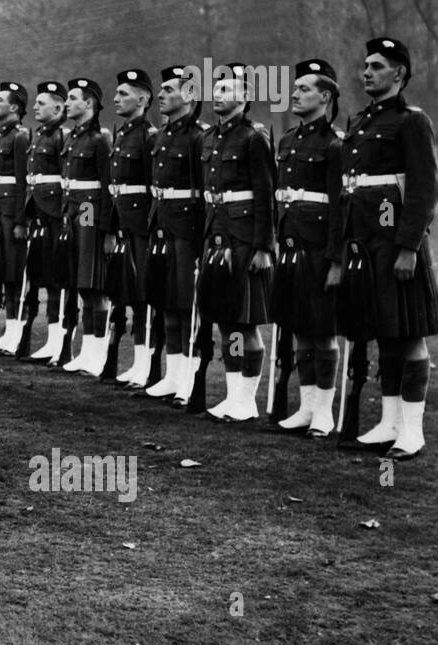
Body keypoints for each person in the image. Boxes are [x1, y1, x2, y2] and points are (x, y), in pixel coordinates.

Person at [339, 37, 438, 458]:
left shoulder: (411, 121)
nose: (367, 72)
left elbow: (423, 190)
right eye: (365, 65)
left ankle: (411, 432)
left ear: (398, 73)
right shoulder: (360, 122)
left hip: (397, 243)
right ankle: (389, 422)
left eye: (377, 66)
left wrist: (409, 247)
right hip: (365, 244)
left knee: (410, 335)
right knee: (385, 332)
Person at [198, 65, 275, 422]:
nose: (219, 94)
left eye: (228, 89)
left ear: (244, 98)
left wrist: (263, 247)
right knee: (226, 319)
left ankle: (247, 399)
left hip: (245, 239)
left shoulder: (253, 138)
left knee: (246, 323)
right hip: (217, 235)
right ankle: (233, 396)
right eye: (217, 88)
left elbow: (265, 197)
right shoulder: (209, 138)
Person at [272, 59, 343, 437]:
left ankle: (324, 411)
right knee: (300, 328)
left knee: (323, 331)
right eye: (294, 89)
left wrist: (336, 260)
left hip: (319, 250)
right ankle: (306, 406)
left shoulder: (335, 145)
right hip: (291, 246)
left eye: (304, 89)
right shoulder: (287, 141)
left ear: (326, 96)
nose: (295, 94)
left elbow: (340, 209)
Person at [144, 66, 208, 405]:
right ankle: (173, 373)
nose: (161, 95)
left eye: (169, 90)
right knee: (167, 300)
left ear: (189, 95)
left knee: (188, 304)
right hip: (164, 224)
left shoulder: (199, 137)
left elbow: (203, 191)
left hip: (189, 228)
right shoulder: (161, 136)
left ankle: (189, 378)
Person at [106, 69, 158, 385]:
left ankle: (145, 364)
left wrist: (152, 229)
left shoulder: (148, 136)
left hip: (142, 225)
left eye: (124, 94)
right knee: (126, 292)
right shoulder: (123, 133)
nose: (116, 98)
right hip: (125, 222)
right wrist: (112, 228)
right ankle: (137, 362)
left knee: (143, 297)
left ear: (142, 99)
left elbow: (154, 188)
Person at [58, 78, 113, 375]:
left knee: (93, 285)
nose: (68, 103)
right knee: (82, 284)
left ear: (89, 103)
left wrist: (105, 230)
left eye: (73, 98)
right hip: (74, 211)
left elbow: (107, 187)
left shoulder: (99, 139)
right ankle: (87, 350)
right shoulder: (73, 138)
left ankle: (97, 353)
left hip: (90, 211)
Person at [22, 80, 70, 363]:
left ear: (58, 107)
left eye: (41, 103)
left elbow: (67, 179)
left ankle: (59, 340)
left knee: (57, 278)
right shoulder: (39, 135)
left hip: (55, 213)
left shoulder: (61, 137)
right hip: (40, 210)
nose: (36, 107)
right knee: (42, 274)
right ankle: (51, 339)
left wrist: (63, 215)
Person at [0, 81, 32, 354]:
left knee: (15, 274)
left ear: (14, 107)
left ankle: (17, 333)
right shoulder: (0, 135)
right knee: (4, 271)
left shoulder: (19, 137)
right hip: (0, 212)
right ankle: (9, 330)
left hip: (12, 215)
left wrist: (19, 221)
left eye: (0, 100)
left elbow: (22, 182)